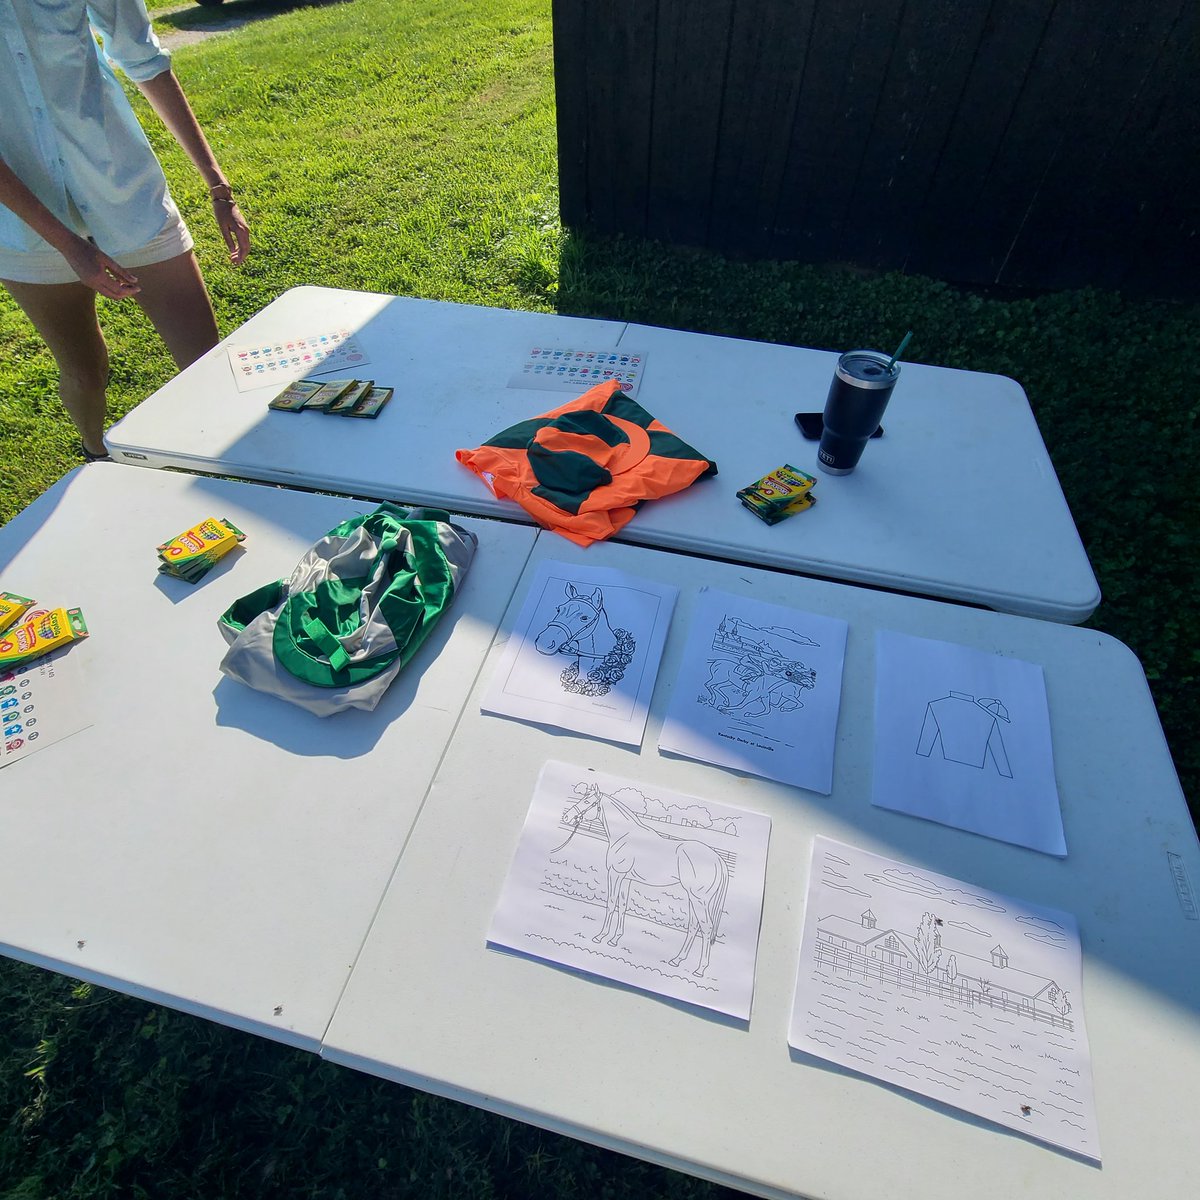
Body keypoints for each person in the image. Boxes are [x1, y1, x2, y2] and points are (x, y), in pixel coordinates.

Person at [0, 0, 250, 460]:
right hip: (23, 222)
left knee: (205, 362)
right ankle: (98, 459)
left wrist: (217, 185)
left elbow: (144, 58)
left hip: (122, 185)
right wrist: (68, 245)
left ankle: (242, 470)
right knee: (82, 370)